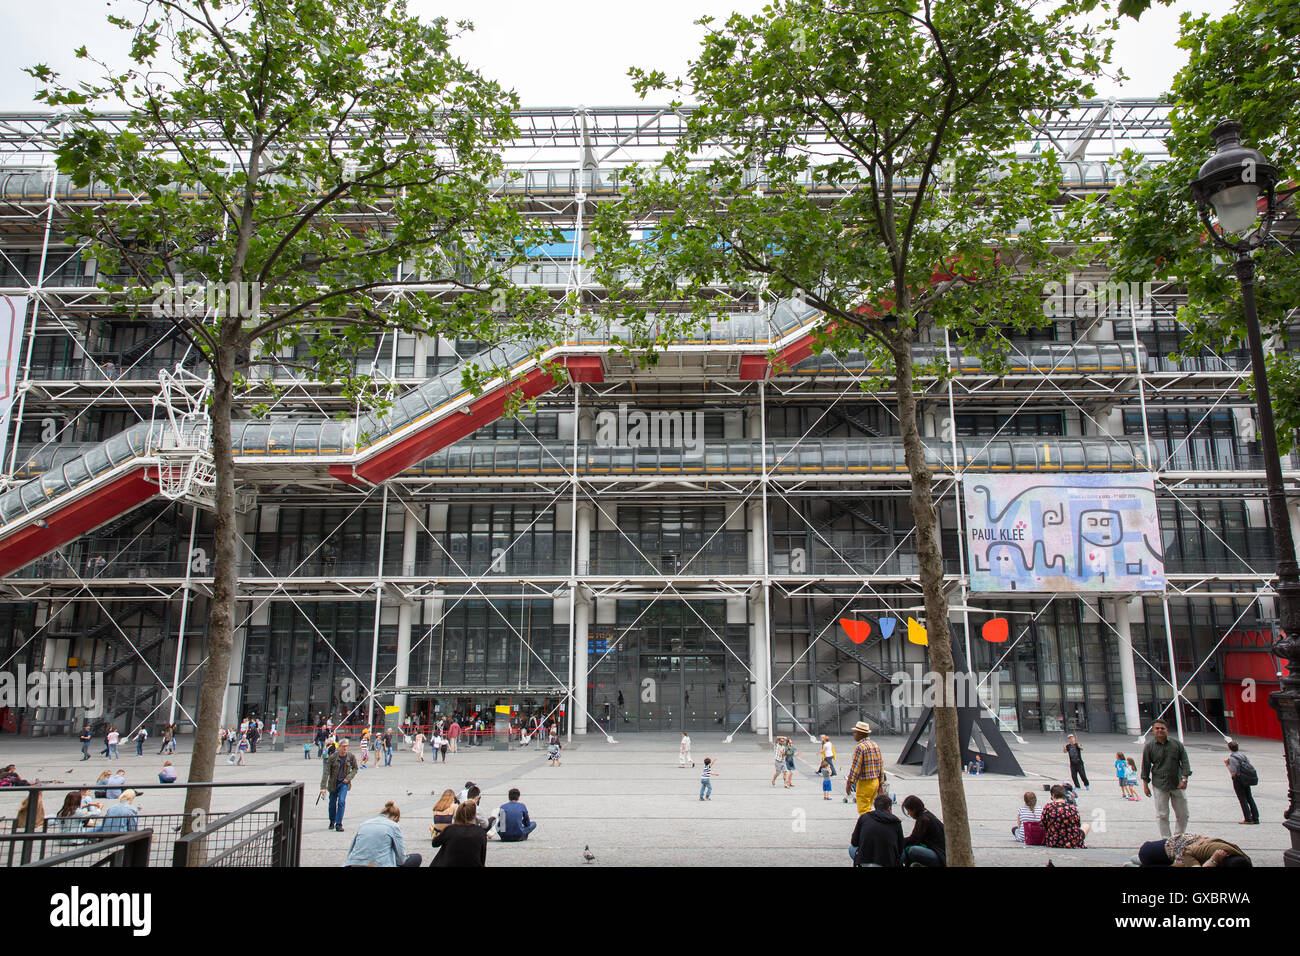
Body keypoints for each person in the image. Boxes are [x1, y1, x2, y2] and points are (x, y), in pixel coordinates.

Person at [1141, 718, 1192, 838]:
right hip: (1160, 784)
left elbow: (1185, 762)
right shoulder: (1149, 747)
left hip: (1177, 783)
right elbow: (1146, 766)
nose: (1160, 730)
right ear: (1152, 731)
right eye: (1157, 728)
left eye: (1162, 728)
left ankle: (1178, 836)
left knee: (1183, 813)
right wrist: (1145, 786)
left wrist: (1184, 779)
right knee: (1162, 814)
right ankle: (1166, 839)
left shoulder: (1176, 744)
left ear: (1167, 730)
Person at [345, 802, 421, 867]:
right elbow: (401, 859)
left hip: (354, 863)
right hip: (379, 864)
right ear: (396, 818)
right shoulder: (394, 826)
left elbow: (351, 850)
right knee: (417, 858)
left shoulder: (364, 824)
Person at [1134, 832, 1252, 868]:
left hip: (1189, 861)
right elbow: (1187, 852)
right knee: (1145, 853)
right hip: (1182, 845)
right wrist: (1213, 860)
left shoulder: (1245, 863)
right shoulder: (1215, 851)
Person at [849, 793, 904, 867]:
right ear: (889, 808)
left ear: (875, 807)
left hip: (864, 861)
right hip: (888, 862)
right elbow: (900, 847)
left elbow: (854, 842)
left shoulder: (864, 817)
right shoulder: (895, 821)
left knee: (852, 848)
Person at [430, 800, 488, 866]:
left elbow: (435, 843)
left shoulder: (450, 829)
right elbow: (482, 857)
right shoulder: (480, 832)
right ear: (474, 815)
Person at [844, 722, 886, 814]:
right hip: (875, 782)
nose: (853, 734)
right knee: (869, 808)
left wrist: (849, 782)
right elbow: (881, 765)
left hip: (864, 783)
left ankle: (867, 827)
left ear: (860, 734)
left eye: (855, 732)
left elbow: (856, 767)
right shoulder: (875, 745)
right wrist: (881, 783)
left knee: (863, 811)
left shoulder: (860, 747)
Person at [319, 738, 358, 832]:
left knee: (341, 801)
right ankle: (332, 820)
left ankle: (339, 824)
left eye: (347, 746)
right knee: (332, 804)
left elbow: (355, 769)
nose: (345, 748)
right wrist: (323, 787)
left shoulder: (351, 756)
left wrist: (348, 778)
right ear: (339, 747)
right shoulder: (333, 757)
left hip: (344, 783)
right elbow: (326, 772)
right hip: (333, 783)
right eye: (344, 746)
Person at [900, 795, 946, 866]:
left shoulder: (924, 820)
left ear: (914, 809)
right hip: (937, 851)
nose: (909, 814)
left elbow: (914, 839)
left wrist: (898, 841)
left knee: (913, 850)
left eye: (908, 811)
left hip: (940, 855)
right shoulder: (927, 815)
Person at [1040, 784, 1089, 849]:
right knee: (1086, 826)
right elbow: (1078, 825)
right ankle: (1079, 842)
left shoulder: (1048, 807)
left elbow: (1043, 824)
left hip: (1054, 841)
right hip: (1072, 841)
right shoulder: (1072, 808)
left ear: (1053, 796)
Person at [1224, 739, 1260, 825]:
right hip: (1246, 778)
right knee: (1249, 797)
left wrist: (1227, 764)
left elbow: (1233, 772)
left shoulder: (1232, 758)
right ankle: (1255, 817)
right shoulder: (1243, 756)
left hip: (1238, 779)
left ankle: (1248, 818)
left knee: (1242, 799)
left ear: (1229, 748)